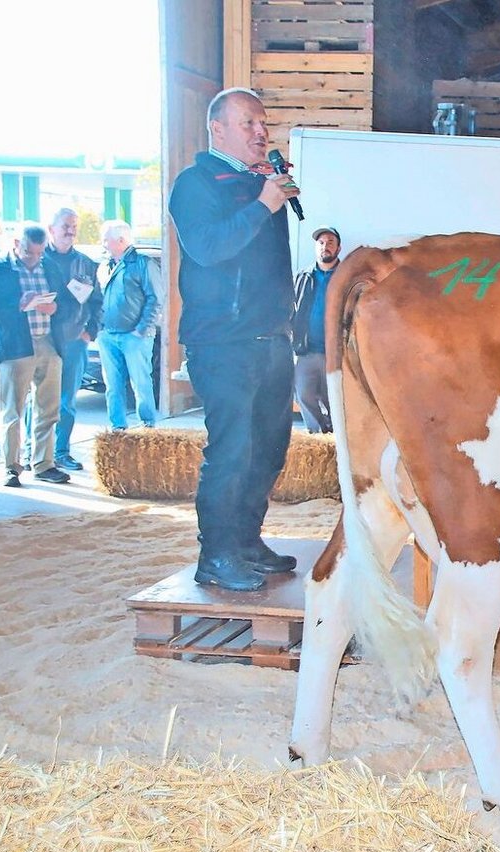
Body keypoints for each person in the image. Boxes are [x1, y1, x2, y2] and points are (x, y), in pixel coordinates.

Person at [167, 87, 300, 592]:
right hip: (222, 342)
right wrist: (263, 204)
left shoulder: (261, 184)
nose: (260, 132)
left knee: (269, 449)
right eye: (247, 123)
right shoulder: (195, 184)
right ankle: (216, 555)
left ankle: (246, 542)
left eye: (263, 123)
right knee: (231, 451)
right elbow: (207, 248)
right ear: (217, 128)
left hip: (271, 338)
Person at [0, 222, 76, 487]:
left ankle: (44, 464)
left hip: (48, 343)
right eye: (30, 253)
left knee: (48, 408)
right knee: (12, 411)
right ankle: (11, 467)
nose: (35, 259)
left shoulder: (49, 266)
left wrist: (55, 308)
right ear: (16, 244)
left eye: (40, 253)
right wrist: (17, 305)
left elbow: (67, 303)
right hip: (16, 346)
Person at [42, 207, 103, 471]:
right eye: (65, 225)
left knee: (67, 400)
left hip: (75, 342)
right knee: (41, 399)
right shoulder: (39, 262)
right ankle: (37, 453)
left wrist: (91, 331)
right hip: (44, 340)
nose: (70, 230)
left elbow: (97, 302)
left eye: (74, 226)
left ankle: (61, 451)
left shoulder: (86, 264)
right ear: (51, 229)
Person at [98, 220, 163, 431]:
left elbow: (156, 298)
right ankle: (117, 428)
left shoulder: (142, 263)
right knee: (113, 386)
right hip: (108, 334)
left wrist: (141, 330)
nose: (103, 243)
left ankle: (147, 426)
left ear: (120, 240)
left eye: (106, 239)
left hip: (135, 335)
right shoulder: (105, 265)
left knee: (141, 383)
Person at [290, 226, 340, 432]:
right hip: (307, 350)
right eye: (320, 243)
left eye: (330, 243)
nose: (324, 247)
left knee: (334, 400)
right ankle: (319, 435)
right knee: (303, 394)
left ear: (338, 248)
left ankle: (338, 438)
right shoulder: (303, 276)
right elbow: (292, 308)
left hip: (336, 353)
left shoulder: (346, 277)